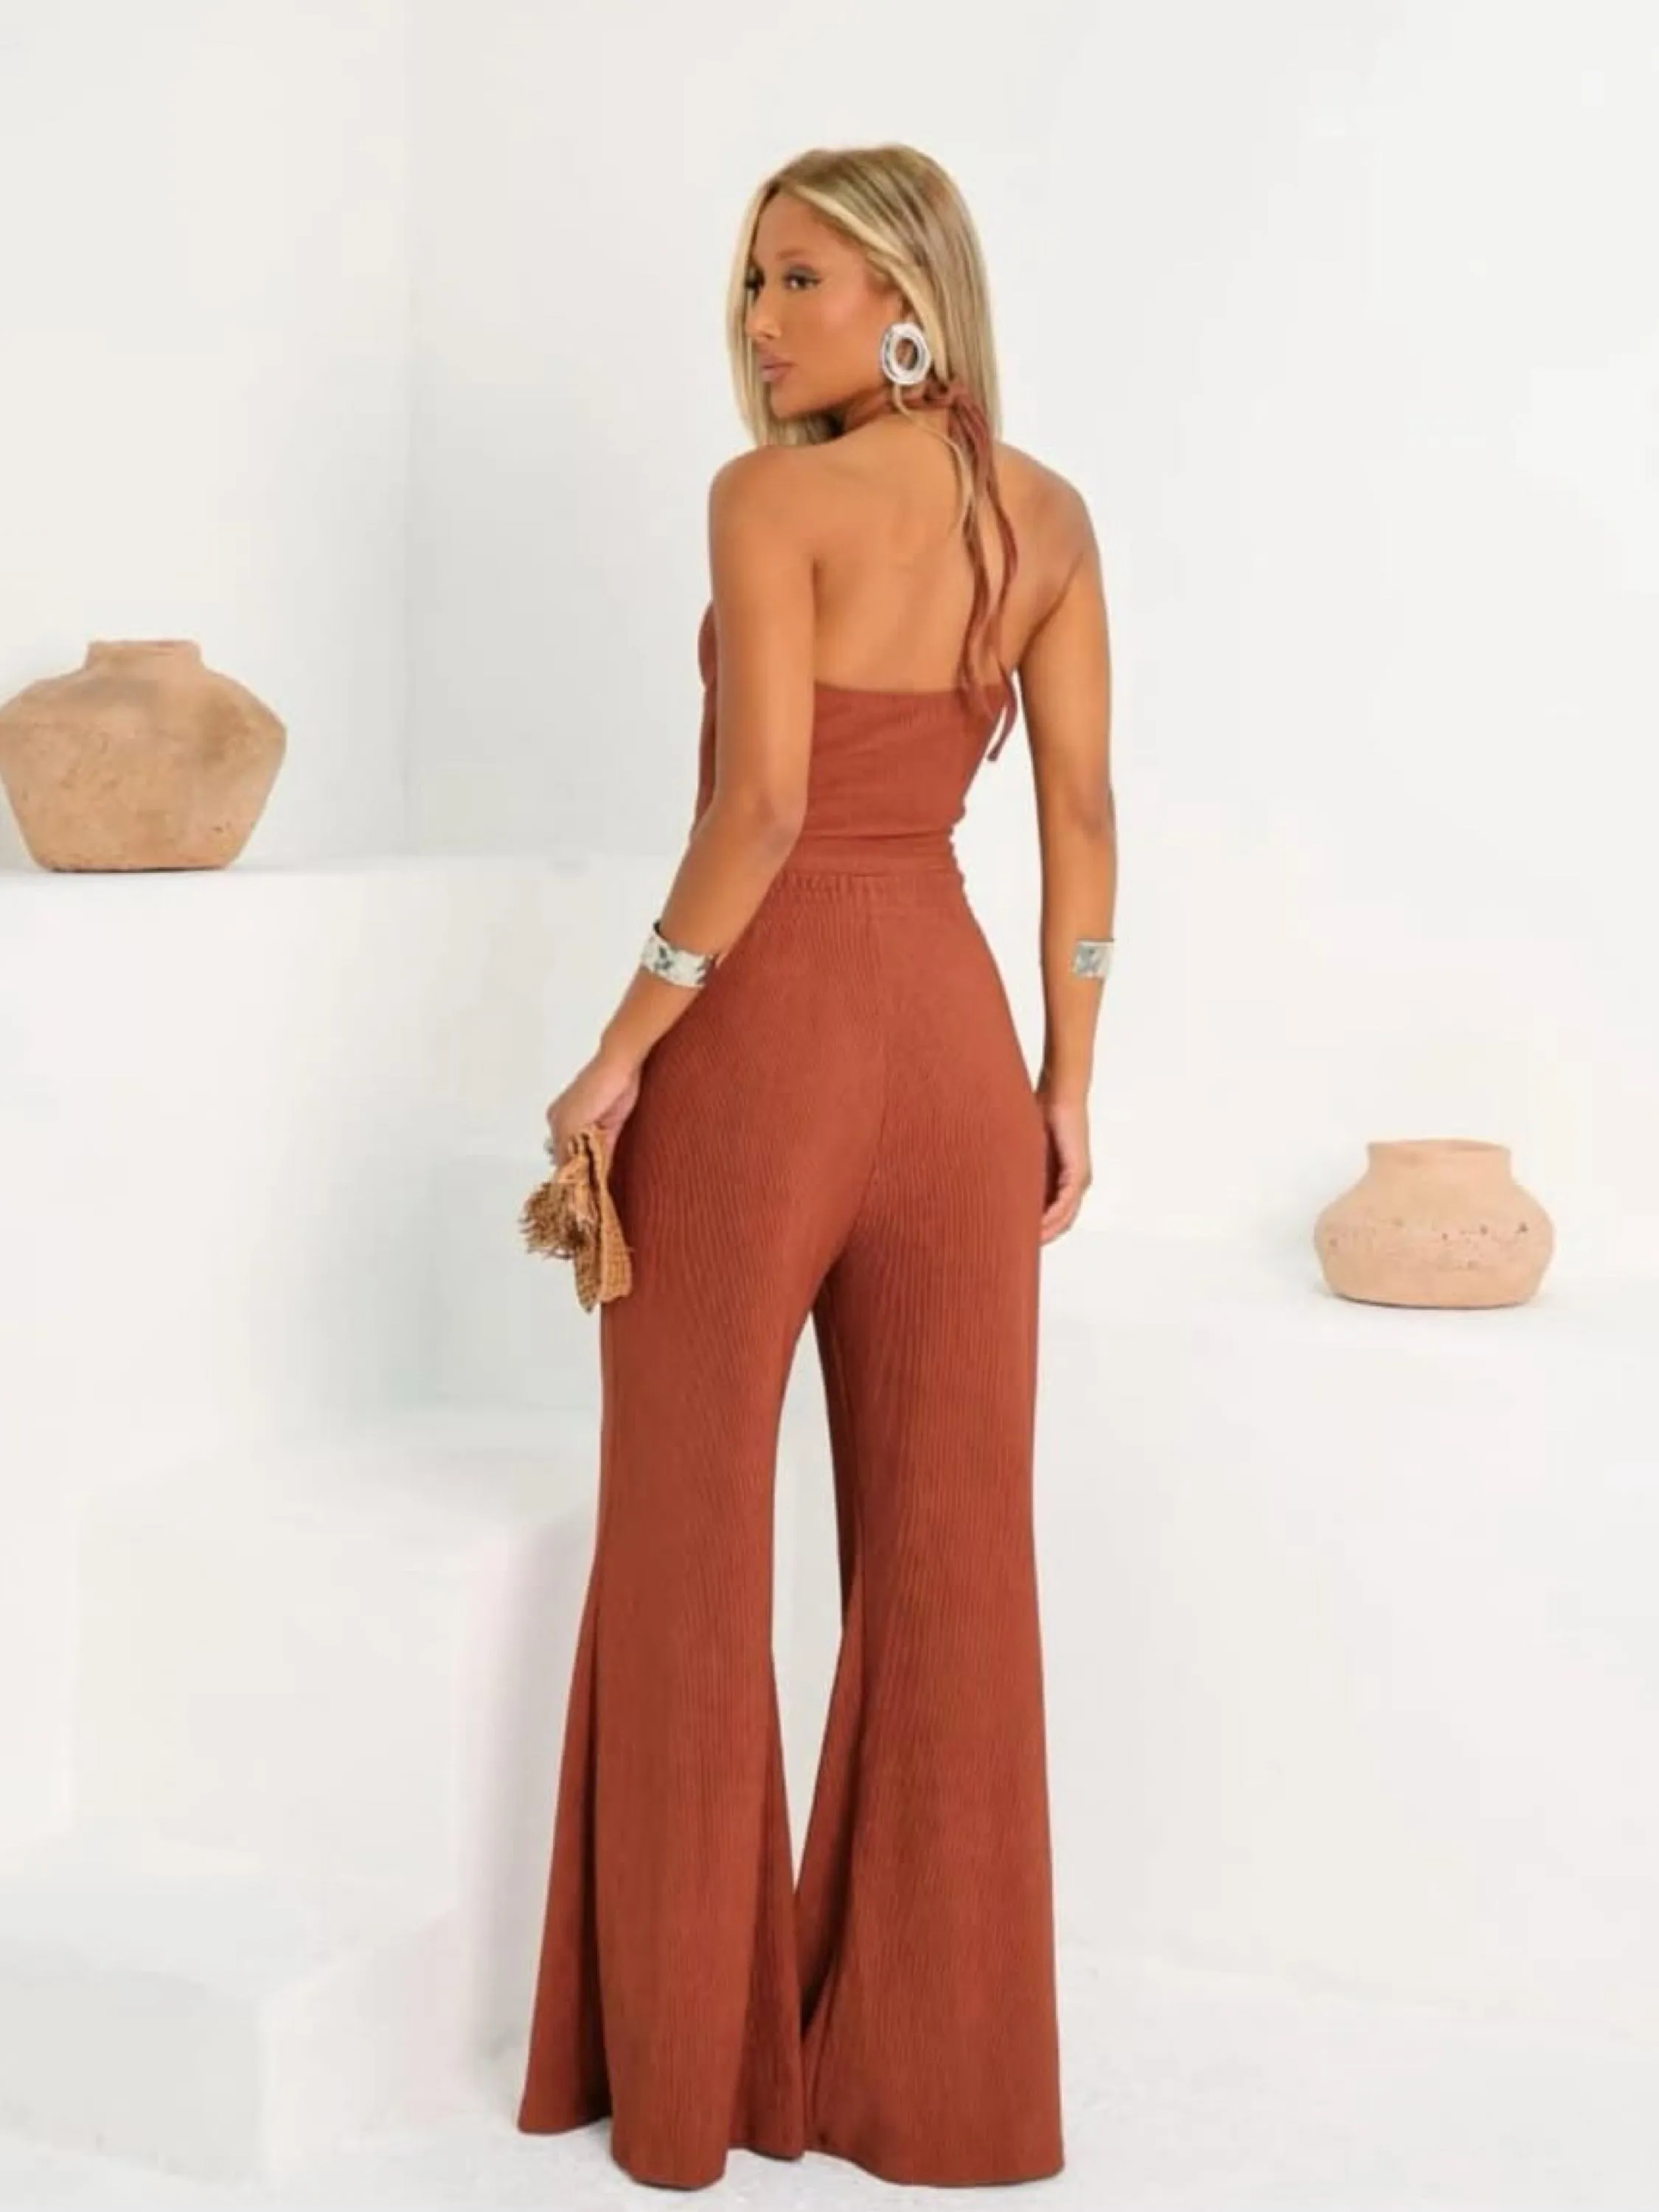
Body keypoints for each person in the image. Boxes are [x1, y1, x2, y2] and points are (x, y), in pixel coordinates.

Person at [515, 142, 1115, 2191]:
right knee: (958, 1556)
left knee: (688, 1543)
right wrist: (1068, 1082)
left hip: (765, 1038)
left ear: (909, 303)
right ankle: (939, 2094)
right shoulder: (1045, 517)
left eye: (802, 279)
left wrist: (624, 1044)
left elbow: (761, 811)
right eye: (754, 281)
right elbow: (1085, 823)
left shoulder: (769, 503)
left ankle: (688, 2081)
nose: (761, 321)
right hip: (953, 1041)